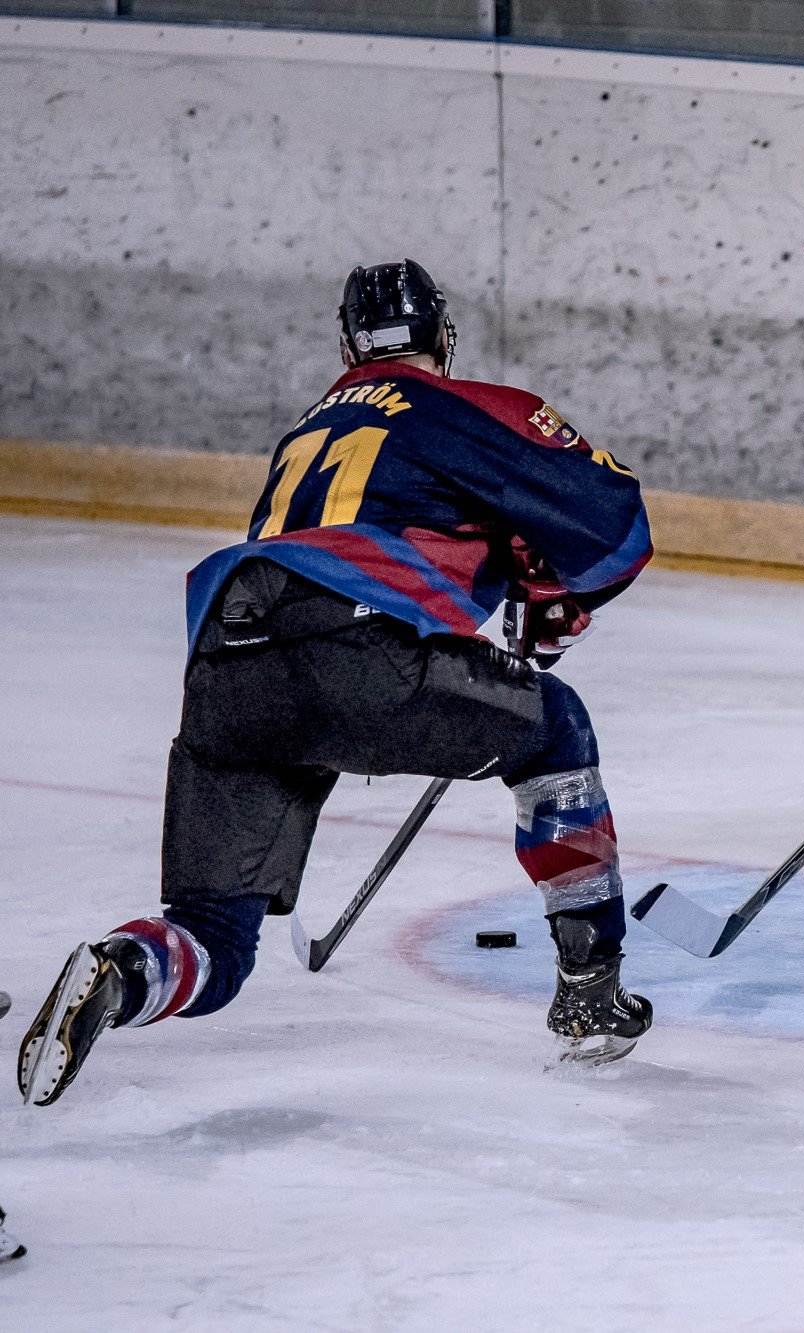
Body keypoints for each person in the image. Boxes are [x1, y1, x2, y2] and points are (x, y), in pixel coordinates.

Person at [18, 260, 656, 1107]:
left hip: (225, 664)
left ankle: (124, 969)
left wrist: (524, 577)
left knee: (215, 938)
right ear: (442, 338)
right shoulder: (461, 406)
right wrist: (555, 597)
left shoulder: (307, 427)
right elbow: (612, 523)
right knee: (557, 729)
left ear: (350, 344)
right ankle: (591, 992)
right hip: (355, 652)